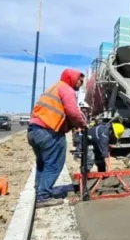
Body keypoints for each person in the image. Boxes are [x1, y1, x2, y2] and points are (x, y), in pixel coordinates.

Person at [28, 69, 86, 205]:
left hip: (34, 130)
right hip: (49, 131)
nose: (81, 84)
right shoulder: (67, 89)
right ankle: (43, 196)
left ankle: (39, 191)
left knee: (43, 163)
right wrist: (82, 123)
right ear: (73, 78)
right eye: (80, 81)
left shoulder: (54, 87)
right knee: (54, 164)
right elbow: (72, 112)